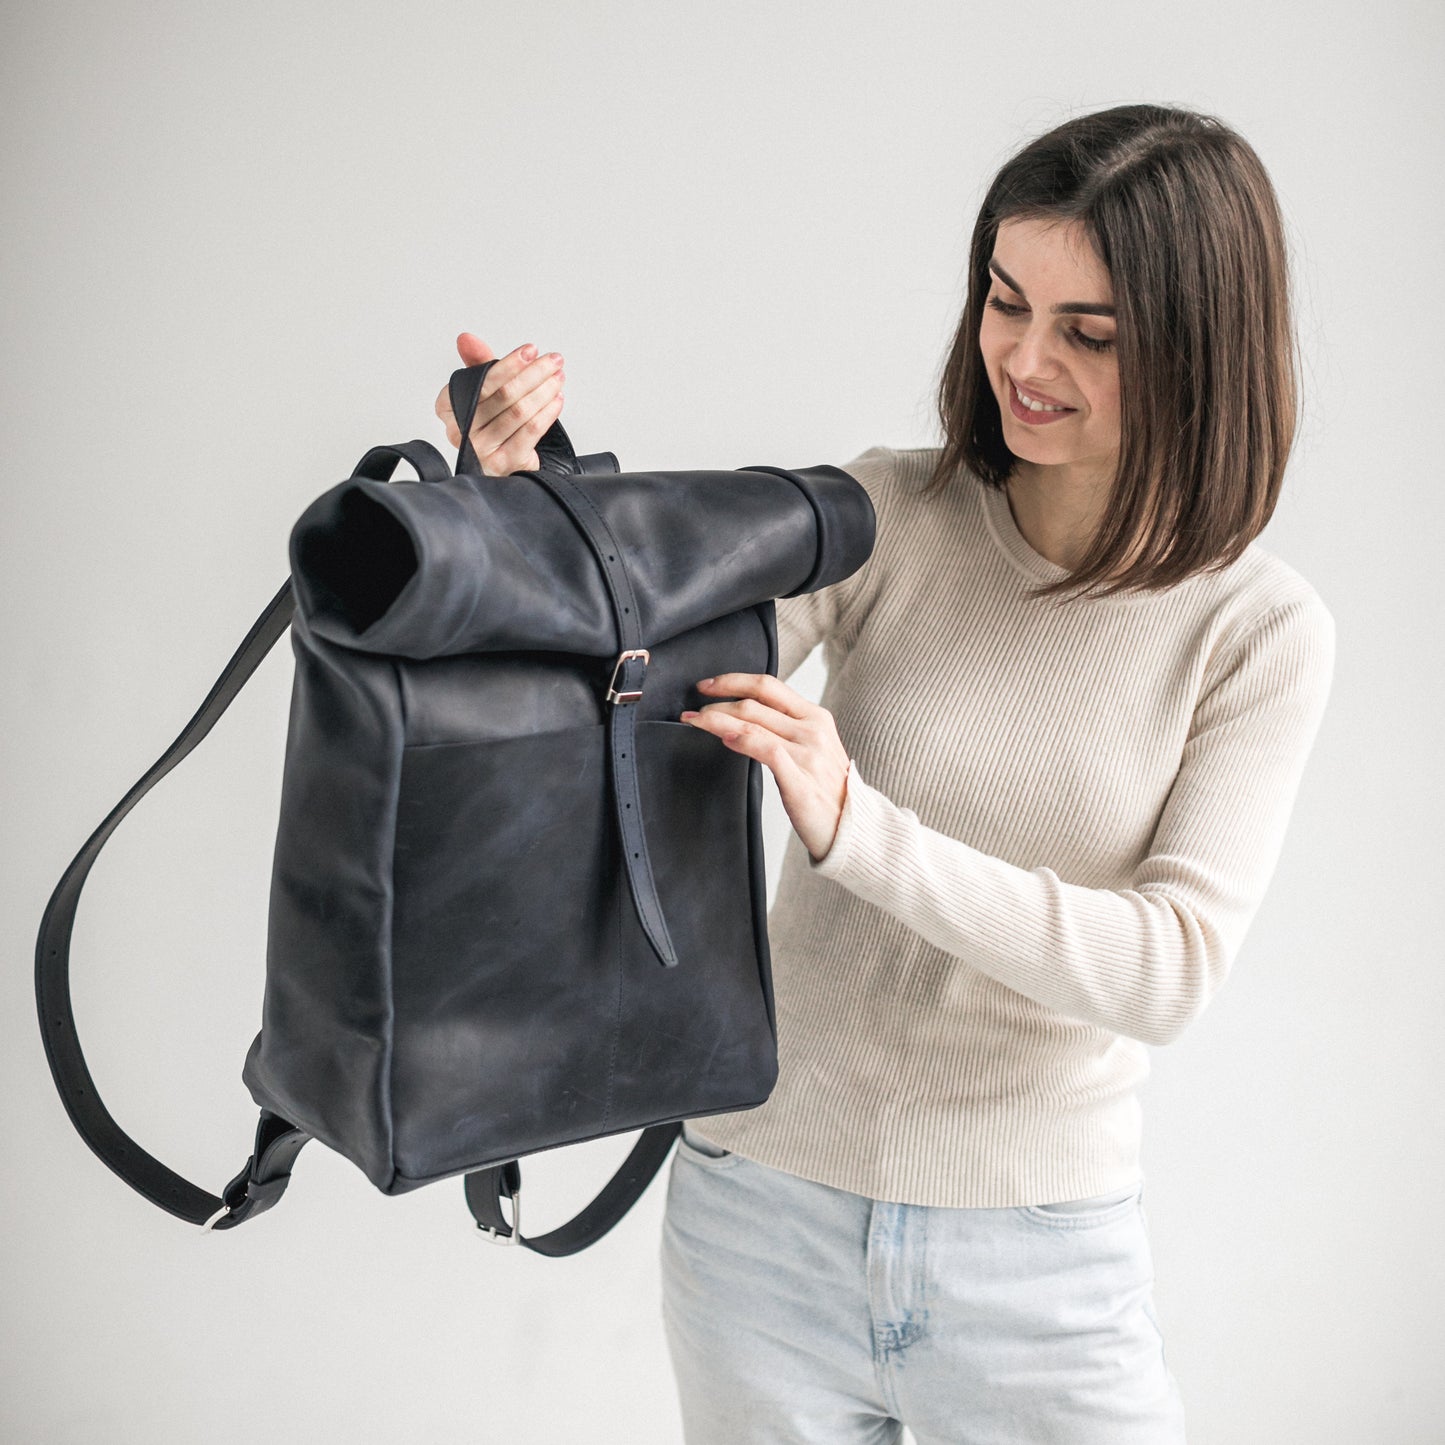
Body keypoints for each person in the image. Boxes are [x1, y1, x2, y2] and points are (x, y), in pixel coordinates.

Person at [436, 102, 1336, 1445]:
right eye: (1004, 300)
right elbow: (618, 682)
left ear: (1201, 351)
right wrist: (502, 497)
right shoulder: (883, 515)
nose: (1026, 360)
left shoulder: (1254, 631)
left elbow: (1165, 970)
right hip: (758, 1220)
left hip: (1037, 1267)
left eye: (1088, 333)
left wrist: (859, 826)